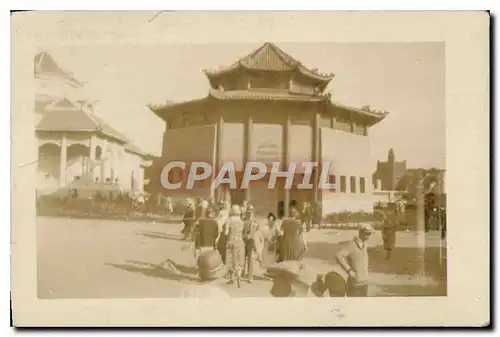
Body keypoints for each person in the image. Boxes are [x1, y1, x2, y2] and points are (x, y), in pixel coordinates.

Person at [335, 223, 375, 297]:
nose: (369, 236)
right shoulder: (351, 244)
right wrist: (349, 270)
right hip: (355, 285)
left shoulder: (364, 244)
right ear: (361, 232)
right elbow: (339, 255)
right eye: (367, 234)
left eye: (370, 234)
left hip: (364, 283)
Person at [224, 204, 246, 287]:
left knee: (230, 259)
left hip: (231, 240)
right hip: (240, 240)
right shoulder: (241, 222)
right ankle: (239, 276)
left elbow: (226, 233)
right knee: (239, 258)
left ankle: (231, 278)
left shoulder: (228, 220)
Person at [242, 205, 264, 283]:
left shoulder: (255, 222)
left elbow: (258, 234)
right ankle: (242, 273)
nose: (249, 213)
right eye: (248, 212)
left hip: (251, 242)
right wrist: (244, 236)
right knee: (243, 258)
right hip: (244, 241)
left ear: (253, 212)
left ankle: (250, 276)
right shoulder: (243, 221)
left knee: (250, 259)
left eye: (251, 212)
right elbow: (241, 231)